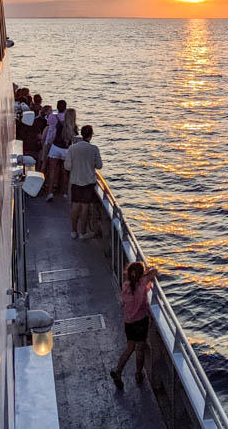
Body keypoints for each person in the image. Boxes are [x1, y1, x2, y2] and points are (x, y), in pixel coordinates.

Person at [110, 261, 158, 390]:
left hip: (128, 322)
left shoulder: (126, 286)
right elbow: (155, 271)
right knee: (140, 349)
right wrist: (147, 272)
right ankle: (138, 374)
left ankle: (118, 371)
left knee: (130, 348)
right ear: (141, 275)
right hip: (140, 321)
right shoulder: (142, 283)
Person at [65, 125, 102, 239]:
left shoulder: (72, 148)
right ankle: (83, 232)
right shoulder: (94, 149)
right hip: (88, 182)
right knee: (85, 208)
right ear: (91, 136)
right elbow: (99, 165)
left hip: (76, 181)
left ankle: (73, 231)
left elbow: (67, 166)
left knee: (75, 206)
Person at [45, 107, 77, 202]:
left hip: (56, 148)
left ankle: (50, 193)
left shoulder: (60, 124)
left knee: (52, 171)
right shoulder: (74, 127)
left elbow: (53, 135)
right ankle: (65, 193)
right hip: (66, 151)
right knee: (65, 173)